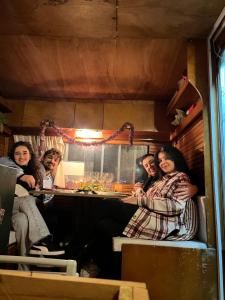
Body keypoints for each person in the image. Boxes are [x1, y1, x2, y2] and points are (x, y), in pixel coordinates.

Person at [78, 145, 198, 278]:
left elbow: (175, 206)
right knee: (104, 225)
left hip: (160, 223)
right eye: (161, 160)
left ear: (176, 158)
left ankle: (73, 255)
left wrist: (139, 200)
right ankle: (108, 272)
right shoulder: (163, 179)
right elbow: (149, 197)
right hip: (150, 216)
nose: (163, 162)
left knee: (104, 205)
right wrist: (135, 197)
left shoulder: (180, 177)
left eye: (166, 159)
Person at [0, 141, 65, 260]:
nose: (21, 156)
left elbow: (42, 194)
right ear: (12, 156)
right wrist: (20, 176)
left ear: (30, 155)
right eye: (17, 154)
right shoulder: (7, 162)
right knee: (27, 200)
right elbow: (2, 162)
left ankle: (24, 268)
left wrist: (40, 190)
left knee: (22, 221)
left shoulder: (34, 170)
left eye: (25, 153)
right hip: (4, 206)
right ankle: (42, 240)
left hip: (15, 212)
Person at [134, 153, 198, 198]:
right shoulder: (149, 179)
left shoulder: (174, 176)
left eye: (151, 162)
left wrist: (196, 189)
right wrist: (139, 189)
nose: (149, 166)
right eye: (146, 166)